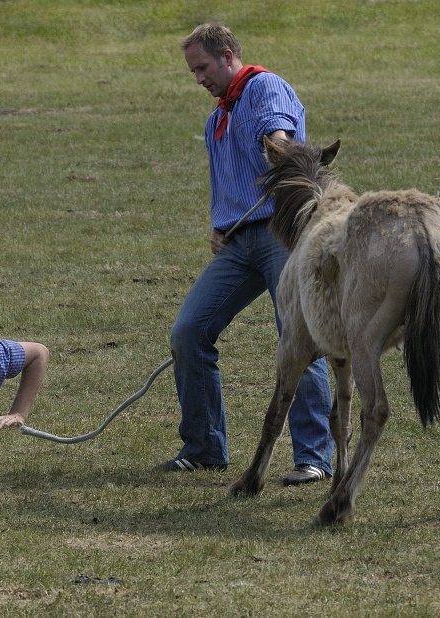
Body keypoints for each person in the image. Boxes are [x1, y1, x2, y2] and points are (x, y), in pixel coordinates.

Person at [157, 23, 333, 485]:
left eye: (203, 67)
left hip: (282, 236)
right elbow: (230, 187)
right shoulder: (216, 119)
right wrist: (219, 229)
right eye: (192, 70)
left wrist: (276, 144)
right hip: (237, 245)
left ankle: (313, 457)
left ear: (228, 54)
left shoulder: (263, 87)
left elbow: (280, 139)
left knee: (297, 335)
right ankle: (204, 448)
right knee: (188, 331)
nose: (198, 78)